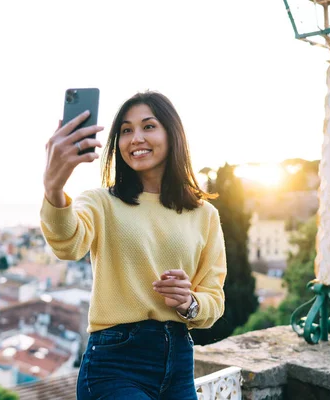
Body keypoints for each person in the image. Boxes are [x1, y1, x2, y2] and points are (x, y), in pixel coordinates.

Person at [40, 91, 227, 400]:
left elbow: (214, 300)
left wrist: (188, 302)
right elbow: (67, 245)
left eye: (148, 126)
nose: (135, 138)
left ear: (172, 134)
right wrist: (53, 186)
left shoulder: (204, 214)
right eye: (126, 130)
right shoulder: (101, 202)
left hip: (179, 363)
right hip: (115, 365)